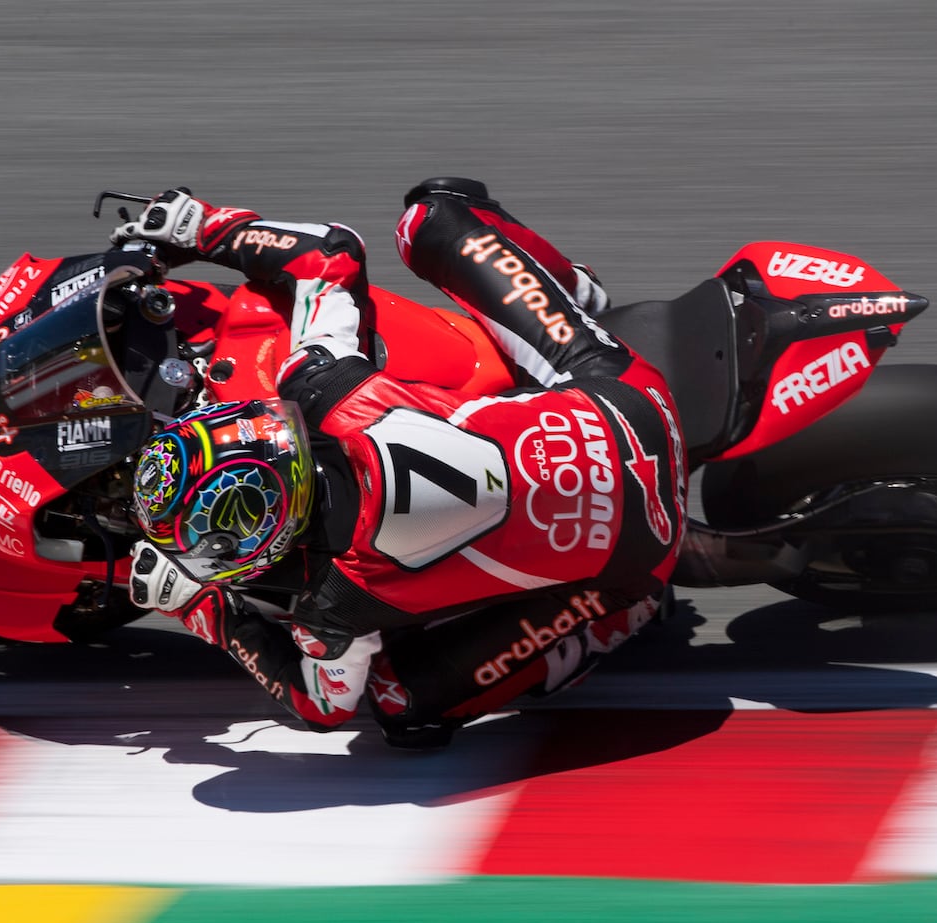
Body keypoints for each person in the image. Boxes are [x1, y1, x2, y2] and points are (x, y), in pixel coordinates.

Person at [116, 179, 686, 748]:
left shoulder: (333, 604)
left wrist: (200, 607)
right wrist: (203, 227)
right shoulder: (327, 391)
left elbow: (324, 708)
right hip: (631, 399)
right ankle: (571, 291)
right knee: (429, 215)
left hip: (642, 554)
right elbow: (331, 251)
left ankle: (618, 617)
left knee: (401, 705)